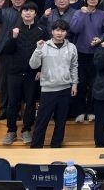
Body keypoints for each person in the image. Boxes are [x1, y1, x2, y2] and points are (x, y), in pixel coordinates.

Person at [29, 19, 79, 148]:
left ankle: (56, 147)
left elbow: (74, 67)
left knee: (61, 122)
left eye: (62, 31)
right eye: (57, 30)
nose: (59, 33)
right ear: (52, 31)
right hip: (48, 90)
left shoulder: (72, 47)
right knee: (42, 121)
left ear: (66, 33)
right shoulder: (43, 45)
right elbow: (33, 65)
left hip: (65, 89)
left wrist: (74, 84)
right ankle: (35, 148)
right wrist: (38, 49)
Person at [2, 2, 46, 145]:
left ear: (35, 13)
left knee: (30, 103)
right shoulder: (14, 29)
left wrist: (40, 70)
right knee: (12, 103)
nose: (28, 13)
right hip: (14, 72)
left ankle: (26, 130)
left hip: (32, 73)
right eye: (25, 10)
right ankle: (11, 131)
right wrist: (13, 37)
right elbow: (7, 50)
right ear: (21, 13)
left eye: (31, 10)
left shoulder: (42, 30)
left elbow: (45, 53)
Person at [69, 0, 104, 122]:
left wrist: (100, 39)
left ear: (99, 0)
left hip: (96, 53)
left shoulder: (102, 14)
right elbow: (74, 29)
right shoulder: (78, 12)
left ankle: (91, 111)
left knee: (94, 83)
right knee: (80, 83)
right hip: (80, 52)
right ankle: (80, 111)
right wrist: (82, 14)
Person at [0, 0, 27, 121]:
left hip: (21, 51)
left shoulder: (28, 12)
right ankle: (3, 110)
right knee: (4, 81)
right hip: (5, 50)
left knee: (18, 82)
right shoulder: (5, 11)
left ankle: (16, 110)